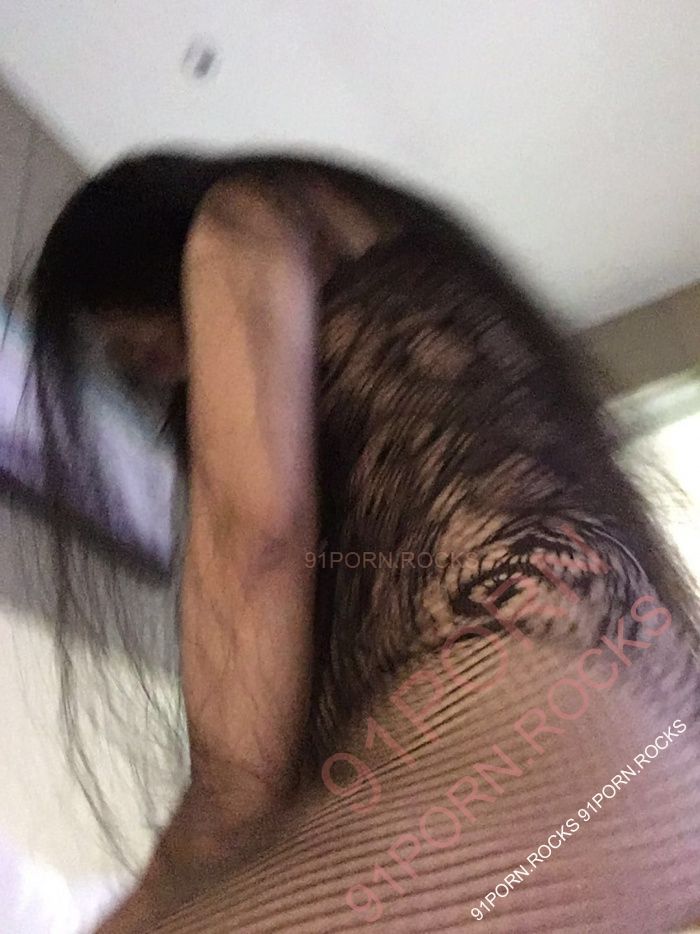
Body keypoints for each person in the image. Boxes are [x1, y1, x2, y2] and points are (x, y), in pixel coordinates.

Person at [26, 152, 700, 932]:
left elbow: (257, 538)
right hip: (645, 722)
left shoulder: (241, 215)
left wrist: (205, 839)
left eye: (124, 341)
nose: (130, 363)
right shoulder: (423, 285)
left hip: (546, 717)